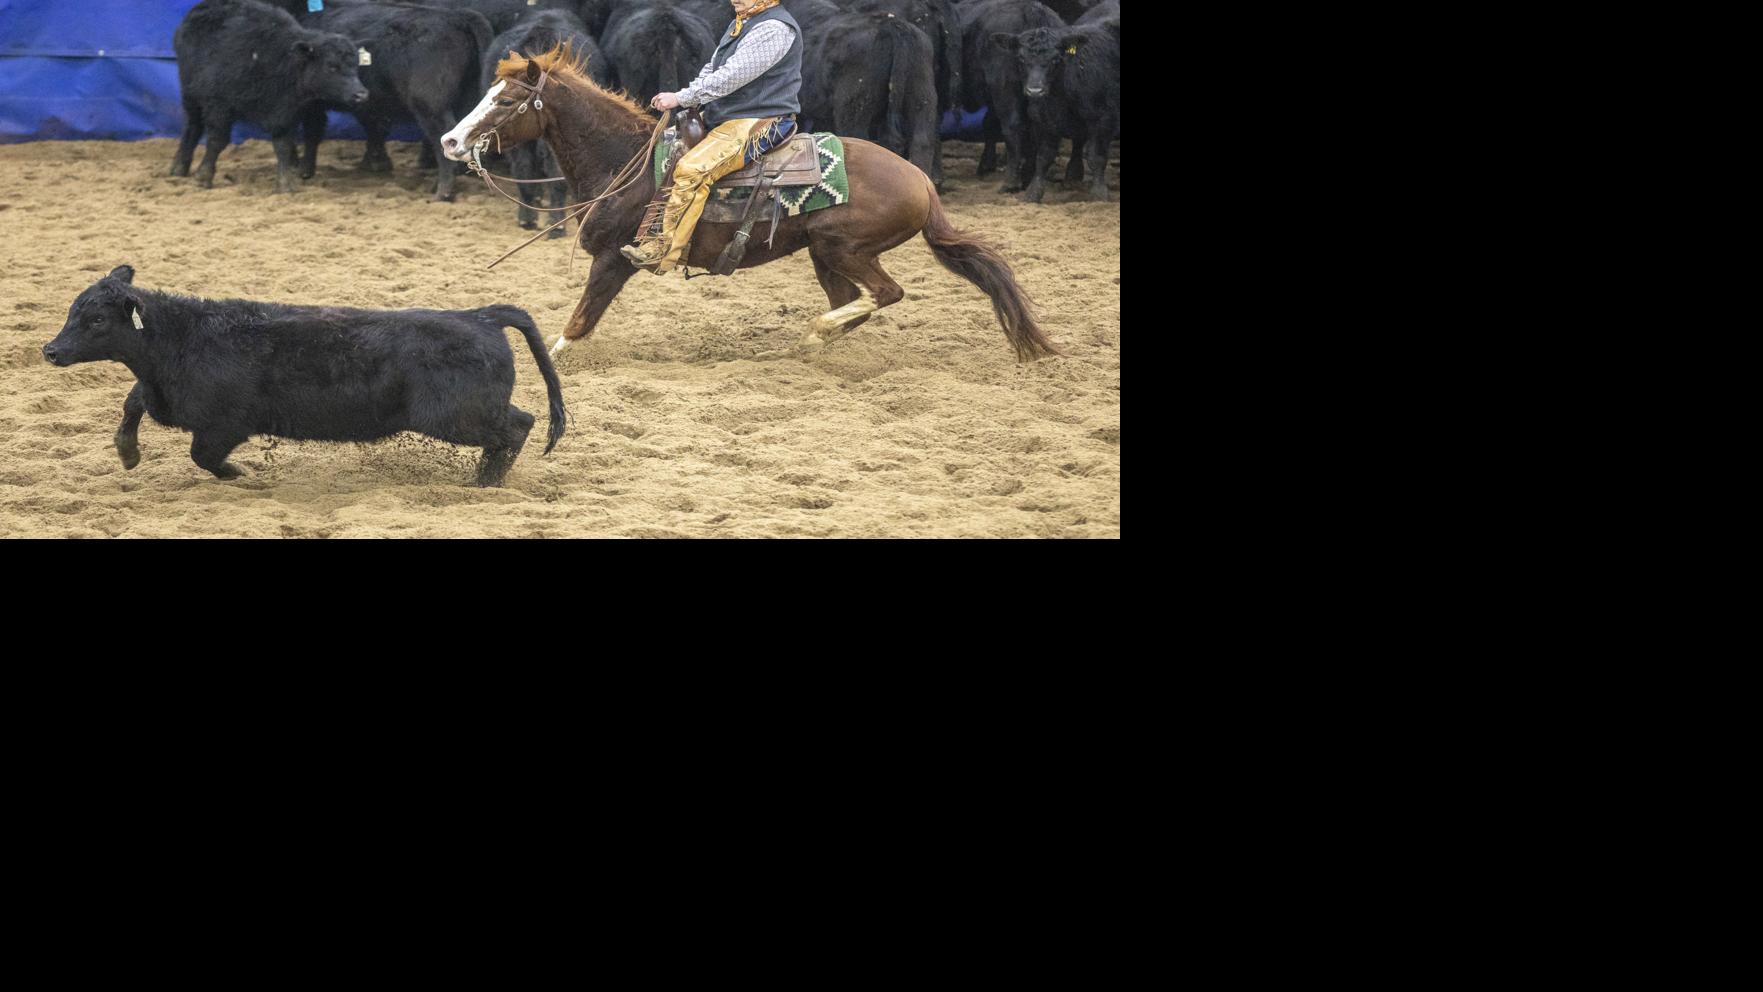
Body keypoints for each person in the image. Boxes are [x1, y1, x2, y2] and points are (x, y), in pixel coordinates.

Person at [621, 0, 804, 273]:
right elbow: (713, 68)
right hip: (733, 114)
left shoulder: (774, 28)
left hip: (761, 118)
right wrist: (691, 93)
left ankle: (664, 249)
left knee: (692, 169)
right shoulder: (741, 23)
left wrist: (681, 97)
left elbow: (731, 77)